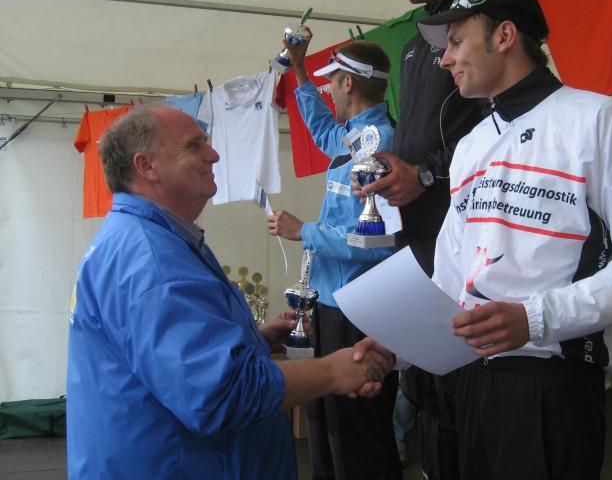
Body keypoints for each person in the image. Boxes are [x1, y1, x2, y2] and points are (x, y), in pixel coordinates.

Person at [413, 0, 612, 479]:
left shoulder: (597, 118)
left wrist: (533, 318)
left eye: (457, 41)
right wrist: (400, 343)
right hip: (466, 379)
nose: (445, 60)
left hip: (552, 384)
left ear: (505, 36)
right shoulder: (469, 146)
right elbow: (450, 272)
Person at [66, 106, 393, 479]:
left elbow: (165, 359)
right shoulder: (153, 262)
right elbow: (222, 394)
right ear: (147, 166)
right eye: (194, 145)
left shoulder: (147, 240)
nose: (214, 154)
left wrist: (254, 341)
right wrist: (333, 371)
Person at [356, 0, 485, 480]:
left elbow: (494, 132)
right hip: (418, 240)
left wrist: (426, 175)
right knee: (428, 390)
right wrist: (390, 172)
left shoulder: (483, 25)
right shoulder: (413, 45)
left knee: (463, 391)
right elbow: (417, 137)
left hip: (469, 240)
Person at [267, 34, 402, 479]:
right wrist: (300, 71)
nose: (329, 92)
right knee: (326, 429)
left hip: (358, 310)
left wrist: (303, 231)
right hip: (332, 305)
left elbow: (377, 243)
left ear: (347, 84)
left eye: (331, 83)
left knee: (357, 437)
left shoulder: (382, 147)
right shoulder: (358, 138)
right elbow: (323, 131)